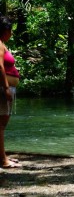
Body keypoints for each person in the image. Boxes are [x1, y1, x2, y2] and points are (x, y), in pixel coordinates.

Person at [0, 15, 21, 169]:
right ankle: (2, 160)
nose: (11, 34)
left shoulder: (2, 44)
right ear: (4, 30)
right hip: (2, 89)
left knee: (2, 125)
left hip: (5, 88)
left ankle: (2, 156)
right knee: (0, 125)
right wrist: (6, 88)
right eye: (10, 30)